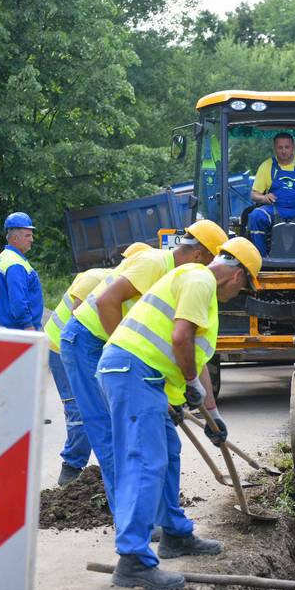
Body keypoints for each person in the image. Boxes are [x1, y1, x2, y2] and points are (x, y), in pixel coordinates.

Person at [98, 237, 262, 590]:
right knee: (146, 462)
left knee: (167, 454)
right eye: (245, 288)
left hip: (144, 377)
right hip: (131, 372)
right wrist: (189, 383)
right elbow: (179, 338)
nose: (240, 295)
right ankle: (133, 561)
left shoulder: (203, 294)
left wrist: (212, 416)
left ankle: (174, 534)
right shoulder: (198, 279)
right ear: (237, 278)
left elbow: (196, 359)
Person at [59, 220, 228, 513]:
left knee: (154, 435)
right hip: (87, 340)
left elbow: (189, 348)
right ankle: (129, 517)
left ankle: (156, 517)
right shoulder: (154, 263)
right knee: (112, 433)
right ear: (200, 255)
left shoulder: (184, 279)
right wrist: (124, 358)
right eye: (213, 263)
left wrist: (211, 412)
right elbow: (106, 301)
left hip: (113, 345)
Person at [42, 267, 110, 486]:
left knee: (97, 405)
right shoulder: (95, 278)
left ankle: (104, 465)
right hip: (61, 347)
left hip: (85, 349)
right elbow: (77, 318)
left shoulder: (115, 283)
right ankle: (71, 467)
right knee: (79, 409)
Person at [247, 132, 295, 256]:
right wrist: (265, 198)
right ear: (275, 148)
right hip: (274, 209)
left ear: (293, 147)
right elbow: (254, 195)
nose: (283, 151)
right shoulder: (266, 166)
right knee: (256, 216)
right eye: (280, 147)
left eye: (287, 147)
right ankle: (262, 258)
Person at [0, 212, 43, 331]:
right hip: (20, 330)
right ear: (15, 238)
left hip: (9, 328)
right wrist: (28, 326)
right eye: (28, 235)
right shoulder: (15, 263)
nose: (32, 239)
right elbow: (18, 300)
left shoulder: (5, 257)